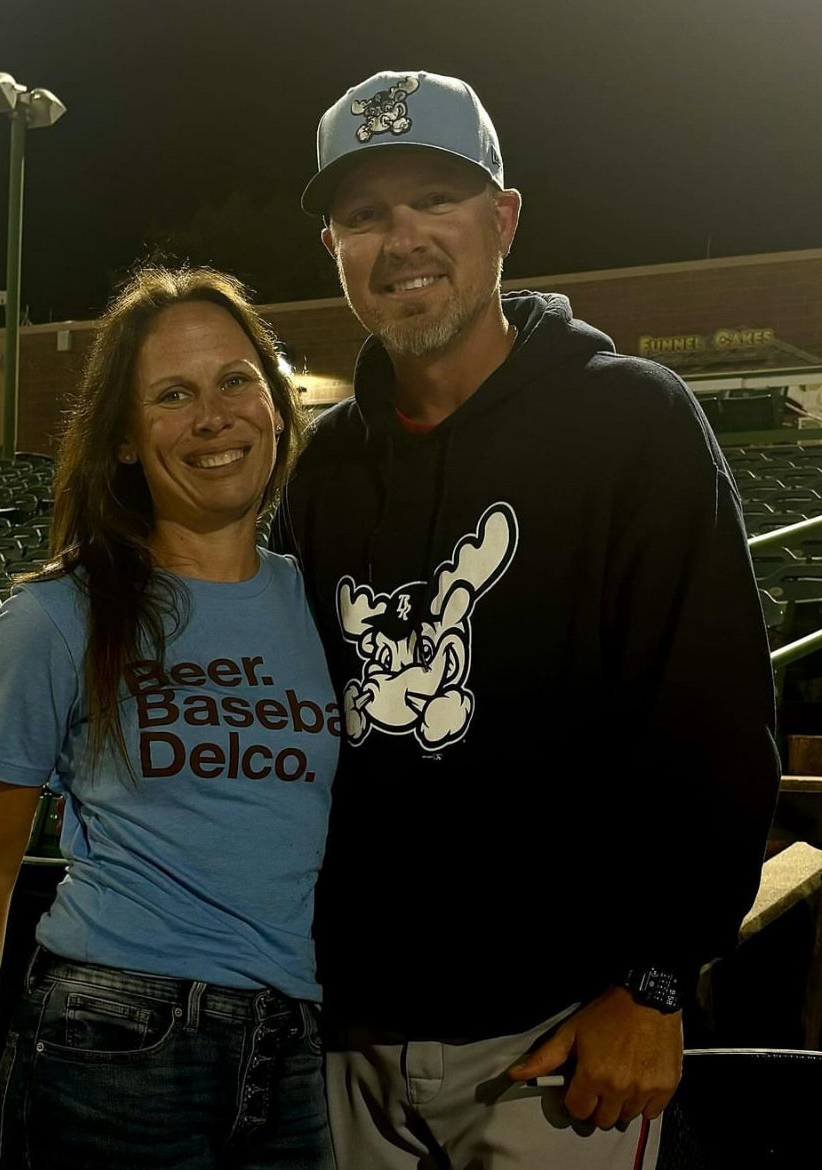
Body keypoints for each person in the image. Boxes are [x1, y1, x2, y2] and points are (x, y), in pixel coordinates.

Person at [270, 70, 780, 1169]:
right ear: (334, 248)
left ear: (502, 219)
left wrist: (656, 984)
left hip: (557, 1043)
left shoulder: (633, 419)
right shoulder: (322, 468)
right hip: (346, 1037)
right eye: (364, 214)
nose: (401, 238)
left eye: (434, 198)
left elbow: (715, 726)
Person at [0, 266, 340, 1170]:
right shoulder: (58, 614)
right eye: (173, 395)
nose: (212, 416)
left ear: (275, 403)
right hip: (112, 1041)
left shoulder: (326, 603)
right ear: (128, 441)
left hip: (291, 1051)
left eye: (235, 380)